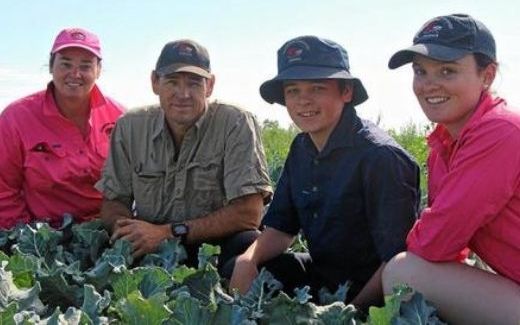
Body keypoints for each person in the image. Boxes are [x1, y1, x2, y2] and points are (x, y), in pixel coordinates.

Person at [229, 35, 420, 309]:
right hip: (323, 277)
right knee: (240, 255)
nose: (303, 101)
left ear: (346, 92)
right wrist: (249, 260)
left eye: (317, 88)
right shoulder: (302, 147)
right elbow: (282, 228)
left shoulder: (380, 157)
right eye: (293, 90)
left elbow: (397, 261)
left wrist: (351, 313)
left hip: (375, 289)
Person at [381, 14, 520, 325]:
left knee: (403, 273)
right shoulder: (444, 145)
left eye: (448, 70)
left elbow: (435, 241)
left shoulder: (500, 131)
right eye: (421, 71)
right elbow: (447, 250)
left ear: (487, 76)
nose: (430, 84)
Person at [95, 39, 273, 274]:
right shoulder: (130, 127)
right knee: (99, 252)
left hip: (214, 244)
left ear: (209, 86)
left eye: (194, 83)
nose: (183, 94)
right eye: (172, 82)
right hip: (149, 244)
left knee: (248, 244)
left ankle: (238, 306)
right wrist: (128, 229)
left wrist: (167, 233)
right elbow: (113, 201)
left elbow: (248, 213)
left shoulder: (236, 122)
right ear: (155, 82)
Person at [0, 27, 125, 229]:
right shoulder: (15, 118)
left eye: (85, 66)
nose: (74, 74)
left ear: (98, 70)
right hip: (42, 234)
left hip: (108, 232)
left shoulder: (121, 118)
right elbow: (3, 190)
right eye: (66, 64)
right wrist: (30, 242)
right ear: (51, 65)